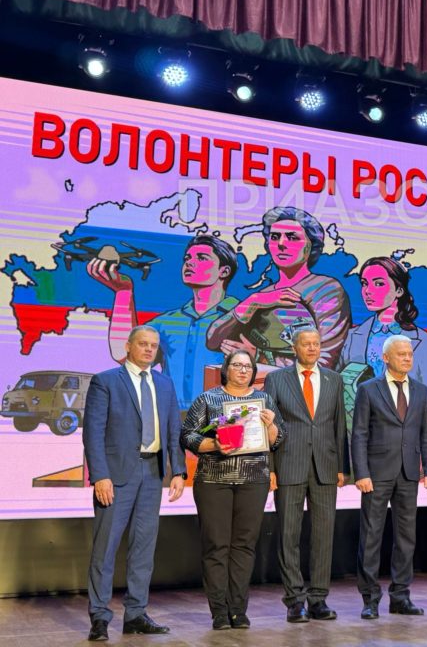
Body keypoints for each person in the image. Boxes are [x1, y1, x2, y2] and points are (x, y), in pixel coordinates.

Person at [82, 325, 187, 642]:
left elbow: (173, 430)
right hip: (116, 476)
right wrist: (100, 475)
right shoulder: (106, 381)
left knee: (144, 547)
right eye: (143, 344)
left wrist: (178, 471)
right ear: (128, 346)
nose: (149, 349)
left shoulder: (164, 384)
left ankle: (136, 614)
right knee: (106, 548)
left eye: (154, 345)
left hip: (152, 473)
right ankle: (100, 617)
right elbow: (93, 433)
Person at [180, 350, 285, 630]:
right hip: (214, 480)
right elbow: (188, 435)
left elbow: (278, 439)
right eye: (237, 365)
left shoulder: (264, 400)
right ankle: (219, 611)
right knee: (216, 545)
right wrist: (215, 444)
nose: (243, 370)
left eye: (248, 366)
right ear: (226, 369)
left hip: (254, 480)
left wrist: (271, 425)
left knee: (244, 545)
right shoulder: (208, 398)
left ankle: (238, 610)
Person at [88, 233, 240, 408]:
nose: (190, 263)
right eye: (187, 258)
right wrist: (123, 292)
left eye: (202, 258)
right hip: (173, 417)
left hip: (224, 417)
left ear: (224, 271)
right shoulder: (168, 322)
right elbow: (125, 354)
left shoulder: (244, 317)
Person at [262, 327, 349, 623]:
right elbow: (267, 425)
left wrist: (341, 467)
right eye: (306, 344)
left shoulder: (334, 379)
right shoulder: (277, 379)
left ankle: (318, 599)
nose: (312, 348)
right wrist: (271, 468)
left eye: (316, 344)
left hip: (325, 465)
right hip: (289, 463)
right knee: (289, 534)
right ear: (294, 348)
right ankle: (294, 600)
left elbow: (339, 424)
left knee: (323, 535)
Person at [351, 334, 427, 619]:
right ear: (386, 358)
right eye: (402, 354)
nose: (408, 358)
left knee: (406, 537)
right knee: (371, 536)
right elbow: (359, 434)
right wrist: (361, 472)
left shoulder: (420, 390)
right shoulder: (368, 389)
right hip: (376, 474)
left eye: (410, 354)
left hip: (409, 472)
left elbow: (426, 432)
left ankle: (400, 596)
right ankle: (370, 598)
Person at [207, 206, 351, 368]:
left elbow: (323, 362)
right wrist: (251, 302)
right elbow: (213, 341)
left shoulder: (326, 290)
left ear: (311, 245)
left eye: (292, 237)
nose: (281, 244)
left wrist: (259, 357)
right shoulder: (263, 295)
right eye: (275, 237)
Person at [340, 256, 427, 417]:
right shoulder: (353, 337)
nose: (368, 291)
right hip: (357, 426)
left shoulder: (424, 343)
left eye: (378, 284)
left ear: (399, 290)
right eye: (364, 283)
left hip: (403, 428)